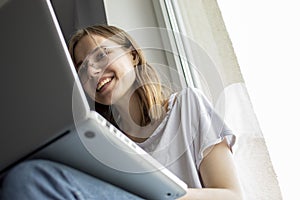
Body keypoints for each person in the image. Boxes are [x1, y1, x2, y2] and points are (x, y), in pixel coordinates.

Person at [0, 24, 243, 200]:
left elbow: (231, 195)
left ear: (133, 55)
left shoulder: (187, 104)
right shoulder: (102, 146)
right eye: (82, 69)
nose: (93, 71)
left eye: (101, 55)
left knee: (29, 178)